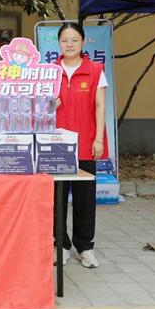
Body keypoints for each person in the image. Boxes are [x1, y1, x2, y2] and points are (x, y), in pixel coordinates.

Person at [54, 22, 108, 268]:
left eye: (74, 40)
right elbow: (39, 106)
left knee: (85, 198)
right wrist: (49, 104)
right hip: (56, 145)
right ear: (59, 43)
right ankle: (60, 245)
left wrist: (99, 139)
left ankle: (85, 247)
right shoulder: (50, 72)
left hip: (86, 142)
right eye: (65, 40)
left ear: (83, 42)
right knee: (57, 198)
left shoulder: (95, 70)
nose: (69, 44)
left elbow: (100, 106)